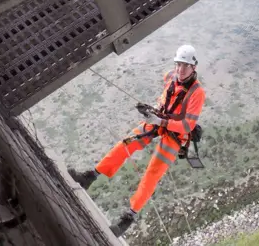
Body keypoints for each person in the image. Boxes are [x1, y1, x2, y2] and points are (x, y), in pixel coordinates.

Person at [68, 44, 206, 237]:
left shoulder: (197, 93)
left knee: (153, 172)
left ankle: (129, 217)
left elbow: (187, 125)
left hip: (175, 134)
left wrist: (161, 120)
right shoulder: (171, 77)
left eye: (185, 66)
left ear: (193, 67)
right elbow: (164, 98)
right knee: (126, 144)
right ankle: (90, 176)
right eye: (178, 65)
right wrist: (154, 110)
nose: (180, 70)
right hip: (159, 121)